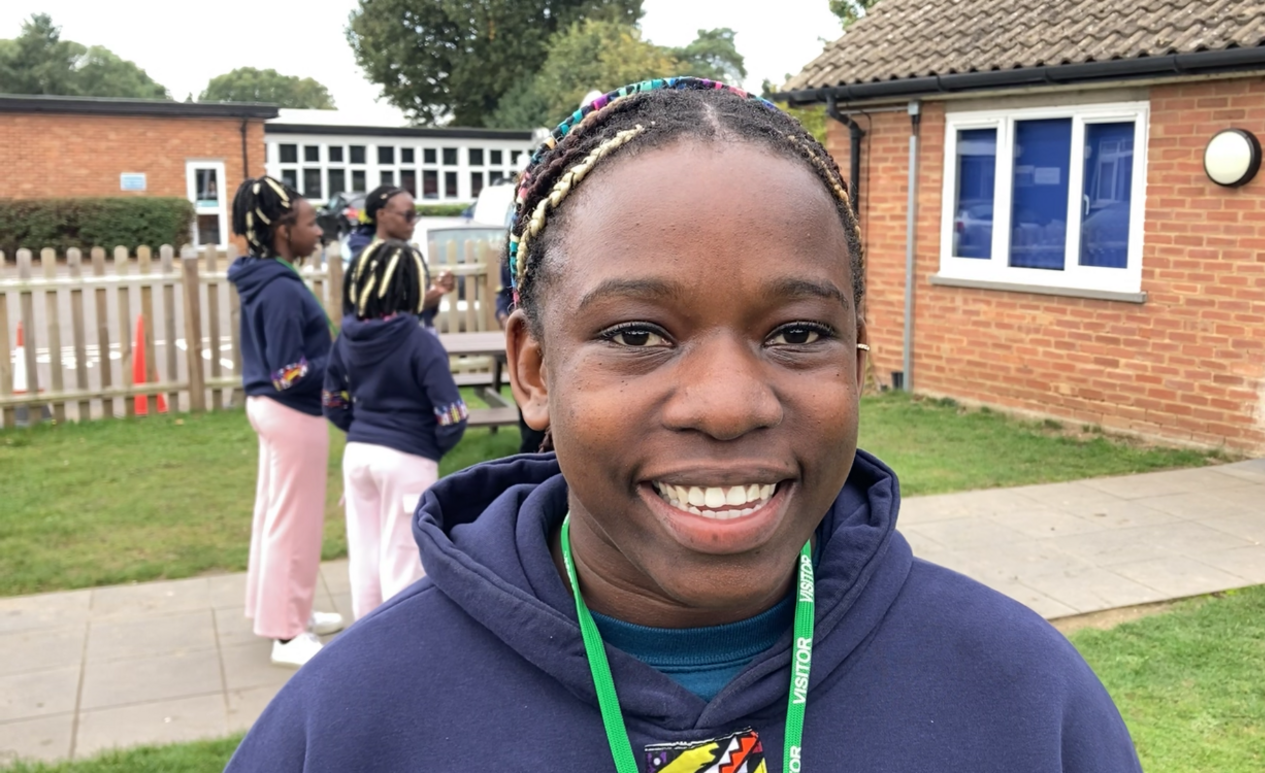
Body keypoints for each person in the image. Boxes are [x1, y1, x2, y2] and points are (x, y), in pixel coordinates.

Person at [228, 79, 1142, 771]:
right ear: (535, 370)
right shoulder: (352, 725)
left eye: (797, 333)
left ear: (858, 353)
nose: (728, 403)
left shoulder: (1025, 701)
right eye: (636, 333)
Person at [227, 176, 344, 669]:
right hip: (292, 412)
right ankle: (287, 633)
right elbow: (288, 371)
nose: (317, 232)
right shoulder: (277, 287)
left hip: (275, 411)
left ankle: (281, 611)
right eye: (309, 223)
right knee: (292, 524)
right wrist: (342, 364)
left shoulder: (266, 276)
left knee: (276, 517)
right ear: (281, 230)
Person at [323, 239, 470, 620]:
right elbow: (452, 413)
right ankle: (401, 645)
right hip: (407, 459)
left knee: (365, 553)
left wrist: (357, 428)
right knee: (404, 559)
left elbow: (331, 400)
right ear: (412, 287)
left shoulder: (347, 337)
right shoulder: (421, 342)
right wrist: (430, 446)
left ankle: (365, 642)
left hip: (358, 456)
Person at [346, 186, 455, 324]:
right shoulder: (366, 260)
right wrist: (429, 297)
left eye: (415, 216)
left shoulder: (409, 255)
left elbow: (424, 315)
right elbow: (380, 316)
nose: (413, 222)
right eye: (408, 216)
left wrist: (436, 294)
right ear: (381, 215)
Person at [495, 206, 545, 455]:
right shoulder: (520, 244)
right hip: (536, 342)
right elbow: (505, 291)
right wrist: (502, 313)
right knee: (534, 438)